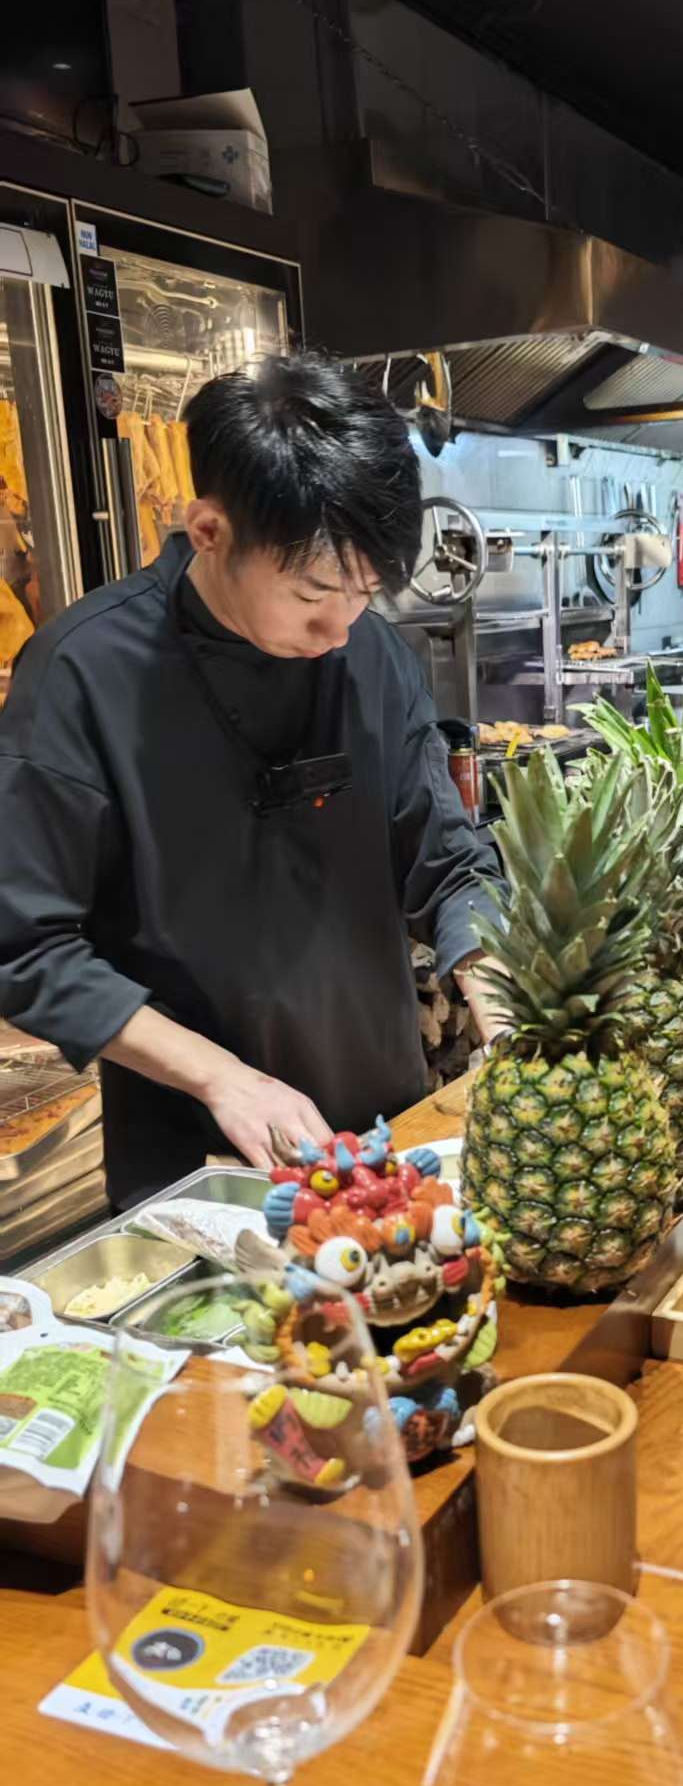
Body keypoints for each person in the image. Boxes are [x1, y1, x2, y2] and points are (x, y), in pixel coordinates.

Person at [0, 353, 502, 1209]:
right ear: (209, 531)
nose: (339, 629)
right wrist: (221, 1077)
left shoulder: (371, 654)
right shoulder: (81, 672)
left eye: (364, 594)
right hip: (204, 1168)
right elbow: (26, 948)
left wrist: (504, 1005)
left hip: (387, 1133)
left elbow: (449, 862)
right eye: (313, 593)